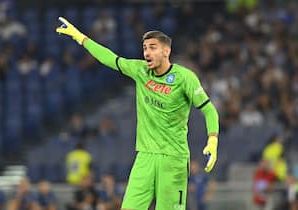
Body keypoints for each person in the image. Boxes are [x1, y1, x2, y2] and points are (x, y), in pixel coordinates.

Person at [56, 17, 219, 210]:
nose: (147, 53)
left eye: (152, 47)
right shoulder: (140, 71)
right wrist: (80, 37)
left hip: (173, 158)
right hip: (145, 156)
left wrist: (213, 140)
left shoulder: (185, 78)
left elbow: (209, 110)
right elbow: (109, 58)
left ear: (166, 51)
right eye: (144, 48)